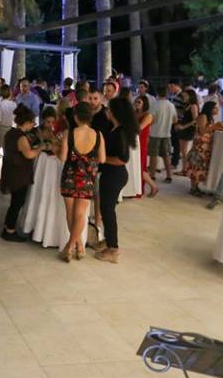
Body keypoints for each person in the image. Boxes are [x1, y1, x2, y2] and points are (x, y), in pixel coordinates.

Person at [57, 102, 104, 260]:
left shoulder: (69, 133)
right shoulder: (98, 135)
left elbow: (63, 157)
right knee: (80, 215)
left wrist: (56, 149)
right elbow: (102, 159)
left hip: (69, 177)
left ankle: (71, 247)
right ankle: (79, 246)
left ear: (76, 117)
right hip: (87, 179)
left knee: (70, 214)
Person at [94, 97, 136, 264]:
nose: (107, 112)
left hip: (115, 175)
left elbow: (122, 159)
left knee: (107, 210)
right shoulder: (114, 128)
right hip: (110, 174)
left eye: (110, 109)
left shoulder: (121, 133)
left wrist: (102, 160)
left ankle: (113, 248)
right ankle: (109, 239)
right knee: (106, 209)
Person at [0, 104, 43, 242]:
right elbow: (29, 154)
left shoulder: (10, 133)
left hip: (11, 170)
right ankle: (10, 230)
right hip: (19, 174)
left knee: (15, 202)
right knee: (17, 203)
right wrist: (41, 148)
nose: (33, 125)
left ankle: (7, 226)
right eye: (32, 122)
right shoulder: (21, 137)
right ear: (27, 122)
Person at [186, 101, 223, 196]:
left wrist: (219, 127)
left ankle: (196, 186)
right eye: (215, 108)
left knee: (201, 166)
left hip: (206, 146)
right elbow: (202, 131)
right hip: (200, 145)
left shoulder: (210, 118)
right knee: (196, 165)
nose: (217, 110)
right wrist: (215, 126)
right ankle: (193, 187)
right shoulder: (203, 116)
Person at [148, 85, 177, 184]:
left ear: (157, 93)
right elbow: (175, 120)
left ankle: (152, 175)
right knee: (166, 156)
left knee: (153, 155)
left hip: (154, 133)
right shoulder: (171, 105)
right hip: (167, 134)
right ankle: (169, 176)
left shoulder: (154, 105)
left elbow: (152, 119)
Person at [133, 95, 158, 198]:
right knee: (136, 166)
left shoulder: (148, 115)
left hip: (141, 143)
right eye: (136, 101)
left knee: (140, 167)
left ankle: (153, 186)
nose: (136, 104)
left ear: (145, 104)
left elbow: (139, 128)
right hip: (133, 141)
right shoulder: (134, 113)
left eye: (139, 102)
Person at [175, 89, 200, 175]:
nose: (184, 97)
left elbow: (195, 120)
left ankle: (185, 169)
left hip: (187, 129)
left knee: (184, 151)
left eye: (185, 96)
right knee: (183, 150)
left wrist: (183, 126)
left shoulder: (193, 106)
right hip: (184, 128)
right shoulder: (188, 105)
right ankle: (184, 168)